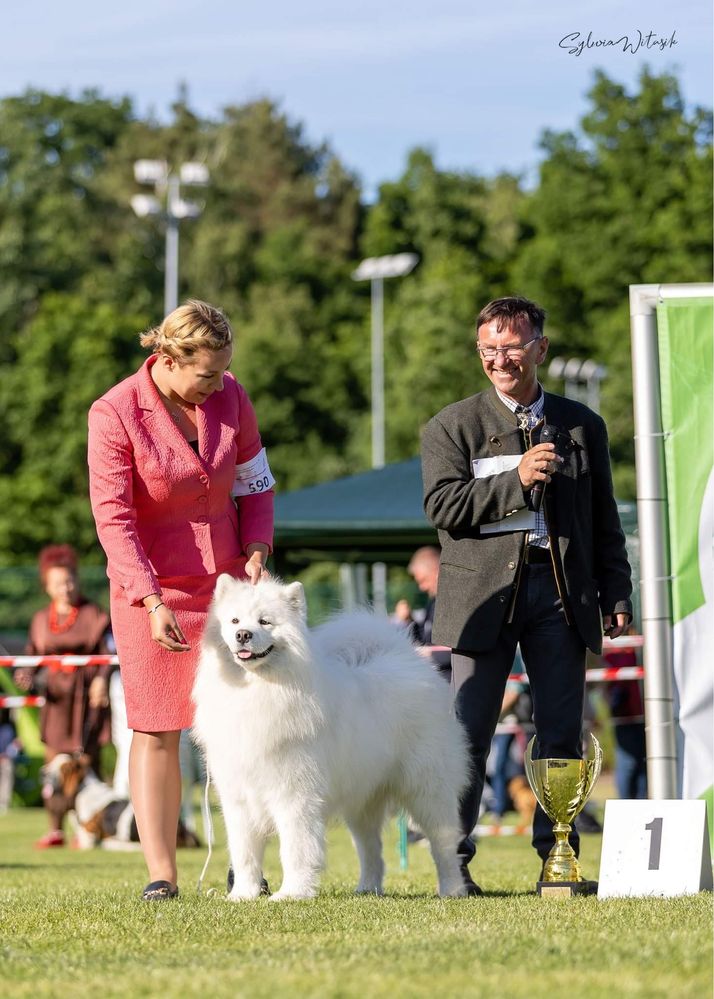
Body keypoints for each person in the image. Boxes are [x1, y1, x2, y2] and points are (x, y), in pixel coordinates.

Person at [421, 295, 632, 894]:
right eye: (488, 348)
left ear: (540, 348)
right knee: (467, 731)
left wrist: (616, 587)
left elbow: (602, 518)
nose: (499, 358)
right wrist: (516, 480)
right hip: (481, 597)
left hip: (562, 592)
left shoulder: (583, 425)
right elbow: (443, 508)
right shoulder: (450, 426)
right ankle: (452, 865)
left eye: (511, 346)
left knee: (561, 729)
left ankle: (556, 859)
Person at [87, 299, 274, 901]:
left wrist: (256, 545)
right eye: (206, 374)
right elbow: (113, 519)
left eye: (224, 371)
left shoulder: (232, 396)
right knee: (158, 728)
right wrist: (148, 597)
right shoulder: (114, 412)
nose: (217, 384)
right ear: (168, 357)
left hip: (225, 588)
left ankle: (245, 866)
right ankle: (161, 875)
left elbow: (257, 482)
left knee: (243, 728)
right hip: (151, 591)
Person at [14, 544, 112, 847]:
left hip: (87, 701)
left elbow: (109, 653)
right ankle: (55, 829)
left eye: (69, 581)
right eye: (58, 583)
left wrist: (102, 681)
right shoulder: (40, 620)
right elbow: (32, 657)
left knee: (87, 766)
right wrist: (26, 675)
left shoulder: (94, 613)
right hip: (56, 703)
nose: (65, 588)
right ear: (47, 586)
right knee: (54, 766)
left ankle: (92, 828)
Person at [393, 546, 451, 676]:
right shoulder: (433, 602)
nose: (422, 587)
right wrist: (408, 621)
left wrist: (425, 653)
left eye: (423, 580)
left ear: (437, 572)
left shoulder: (453, 602)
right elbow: (424, 638)